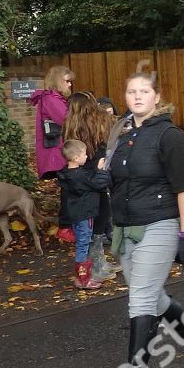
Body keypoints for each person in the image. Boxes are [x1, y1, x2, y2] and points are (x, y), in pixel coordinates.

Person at [106, 72, 184, 368]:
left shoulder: (169, 135)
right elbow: (114, 174)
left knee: (140, 300)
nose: (137, 96)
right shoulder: (122, 133)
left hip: (160, 225)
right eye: (131, 91)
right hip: (125, 228)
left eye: (144, 91)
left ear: (157, 97)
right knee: (152, 298)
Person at [65, 92, 119, 282]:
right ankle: (94, 266)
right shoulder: (97, 123)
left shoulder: (71, 127)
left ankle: (98, 261)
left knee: (97, 218)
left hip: (85, 178)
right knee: (98, 217)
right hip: (96, 176)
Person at [58, 139, 109, 289]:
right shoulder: (78, 176)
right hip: (84, 214)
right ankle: (83, 278)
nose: (87, 157)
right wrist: (101, 170)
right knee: (83, 244)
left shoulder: (69, 174)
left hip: (77, 214)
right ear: (76, 158)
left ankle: (81, 277)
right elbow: (97, 183)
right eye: (84, 154)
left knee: (83, 243)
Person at [30, 65, 73, 180]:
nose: (70, 84)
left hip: (57, 149)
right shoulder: (51, 99)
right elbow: (67, 120)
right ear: (58, 81)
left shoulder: (52, 98)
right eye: (67, 81)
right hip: (57, 150)